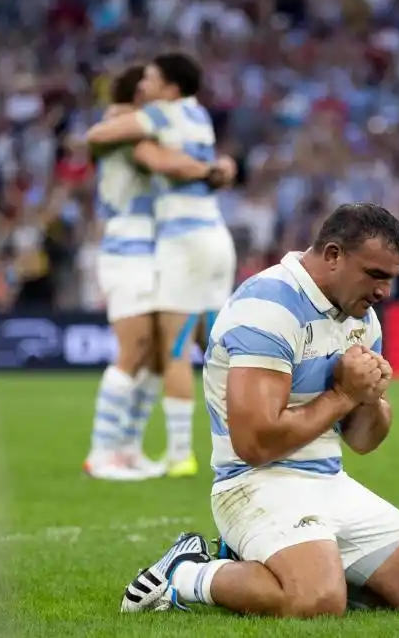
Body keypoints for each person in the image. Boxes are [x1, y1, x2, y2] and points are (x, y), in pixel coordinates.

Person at [119, 203, 399, 617]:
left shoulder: (360, 315)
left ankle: (283, 564)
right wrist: (344, 395)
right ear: (333, 255)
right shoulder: (267, 305)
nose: (384, 291)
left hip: (330, 480)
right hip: (254, 483)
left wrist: (371, 398)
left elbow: (363, 441)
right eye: (375, 275)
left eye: (391, 279)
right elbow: (255, 443)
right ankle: (185, 574)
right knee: (316, 601)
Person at [86, 53, 238, 478]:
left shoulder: (164, 118)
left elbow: (164, 156)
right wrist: (213, 169)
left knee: (160, 352)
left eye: (151, 79)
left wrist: (215, 168)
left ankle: (135, 449)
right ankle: (104, 453)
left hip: (164, 246)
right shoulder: (150, 121)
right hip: (132, 246)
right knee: (143, 349)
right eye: (142, 83)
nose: (145, 88)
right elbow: (144, 154)